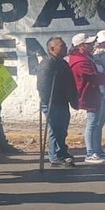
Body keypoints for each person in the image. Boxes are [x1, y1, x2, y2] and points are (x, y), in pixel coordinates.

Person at [68, 33, 105, 164]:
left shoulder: (86, 57)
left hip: (96, 92)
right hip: (89, 94)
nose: (91, 45)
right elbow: (94, 77)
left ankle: (98, 150)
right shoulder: (80, 61)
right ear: (80, 46)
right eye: (88, 44)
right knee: (92, 123)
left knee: (98, 123)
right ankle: (90, 153)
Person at [38, 36, 79, 167]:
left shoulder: (62, 63)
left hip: (62, 101)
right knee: (55, 129)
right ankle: (55, 156)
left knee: (62, 130)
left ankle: (62, 151)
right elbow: (43, 86)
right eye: (62, 46)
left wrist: (73, 100)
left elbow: (69, 83)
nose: (65, 48)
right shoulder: (47, 63)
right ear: (52, 48)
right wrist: (49, 102)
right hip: (52, 102)